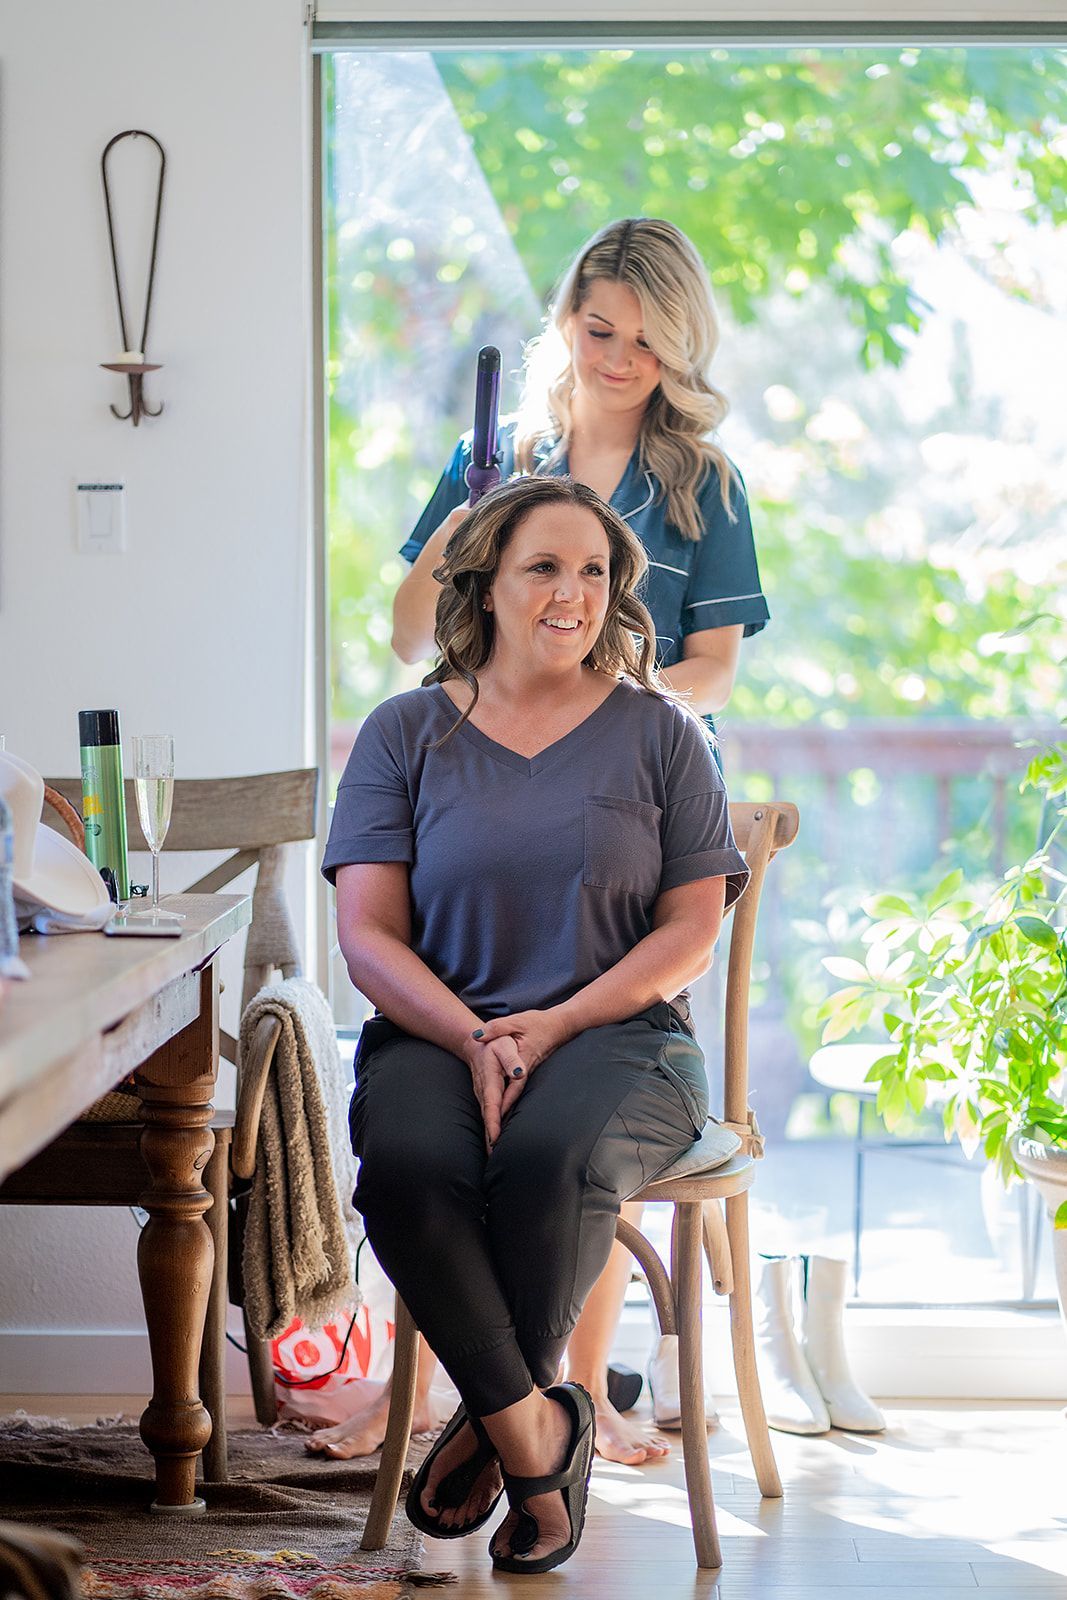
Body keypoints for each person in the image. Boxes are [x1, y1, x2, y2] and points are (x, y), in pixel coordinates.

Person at [309, 215, 767, 1467]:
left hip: (626, 777)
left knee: (576, 1123)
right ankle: (494, 1399)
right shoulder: (492, 456)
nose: (618, 357)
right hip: (490, 763)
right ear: (565, 321)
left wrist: (583, 665)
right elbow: (411, 634)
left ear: (681, 346)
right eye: (597, 327)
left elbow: (712, 669)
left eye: (647, 339)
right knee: (426, 1117)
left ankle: (570, 1394)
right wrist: (476, 535)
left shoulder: (697, 484)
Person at [321, 474, 749, 1572]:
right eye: (543, 567)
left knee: (552, 1157)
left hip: (623, 1040)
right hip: (435, 1030)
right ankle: (537, 1430)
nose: (573, 592)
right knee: (409, 1166)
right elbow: (368, 937)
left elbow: (688, 932)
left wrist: (550, 1026)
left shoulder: (664, 733)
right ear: (487, 584)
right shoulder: (404, 732)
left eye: (594, 571)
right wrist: (471, 1035)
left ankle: (490, 1421)